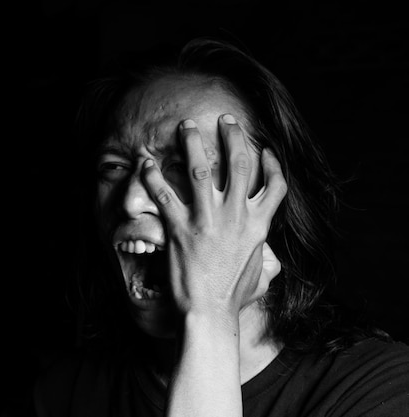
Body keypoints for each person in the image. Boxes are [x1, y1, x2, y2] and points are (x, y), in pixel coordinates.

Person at [27, 37, 409, 417]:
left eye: (184, 165)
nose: (131, 201)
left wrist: (210, 312)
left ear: (271, 193)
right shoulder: (66, 392)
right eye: (114, 167)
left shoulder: (379, 387)